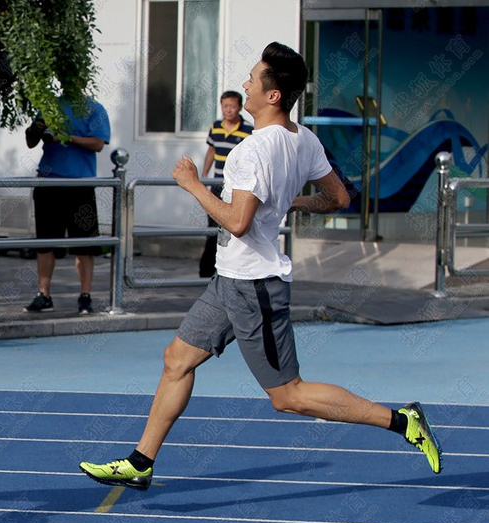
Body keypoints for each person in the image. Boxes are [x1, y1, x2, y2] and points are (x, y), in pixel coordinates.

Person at [79, 42, 442, 491]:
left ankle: (401, 420)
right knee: (177, 359)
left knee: (287, 396)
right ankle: (141, 461)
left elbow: (238, 220)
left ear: (272, 95)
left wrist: (193, 185)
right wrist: (290, 200)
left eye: (253, 79)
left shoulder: (251, 152)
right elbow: (339, 198)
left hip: (255, 285)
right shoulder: (302, 137)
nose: (245, 84)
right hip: (230, 278)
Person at [23, 96, 111, 315]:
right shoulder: (49, 105)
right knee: (45, 244)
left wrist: (67, 137)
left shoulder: (94, 108)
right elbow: (31, 141)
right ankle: (44, 296)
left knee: (84, 245)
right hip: (49, 182)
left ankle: (85, 297)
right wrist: (36, 128)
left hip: (80, 185)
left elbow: (98, 143)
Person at [199, 91, 254, 278]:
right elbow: (211, 151)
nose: (228, 110)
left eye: (232, 106)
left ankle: (229, 270)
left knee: (232, 228)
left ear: (239, 107)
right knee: (213, 228)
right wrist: (204, 176)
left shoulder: (248, 130)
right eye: (225, 106)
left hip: (236, 188)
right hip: (216, 185)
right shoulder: (215, 127)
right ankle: (207, 271)